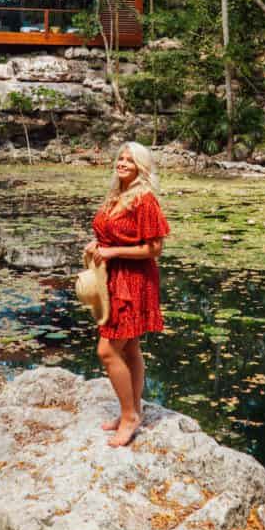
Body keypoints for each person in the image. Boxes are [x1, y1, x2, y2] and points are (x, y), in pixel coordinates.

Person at [85, 142, 170, 448]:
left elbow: (155, 248)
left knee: (107, 351)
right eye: (120, 158)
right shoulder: (116, 196)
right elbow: (106, 234)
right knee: (130, 348)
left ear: (141, 167)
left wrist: (113, 250)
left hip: (135, 280)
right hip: (115, 277)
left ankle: (130, 415)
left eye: (129, 160)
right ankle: (132, 412)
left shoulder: (144, 199)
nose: (122, 163)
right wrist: (97, 246)